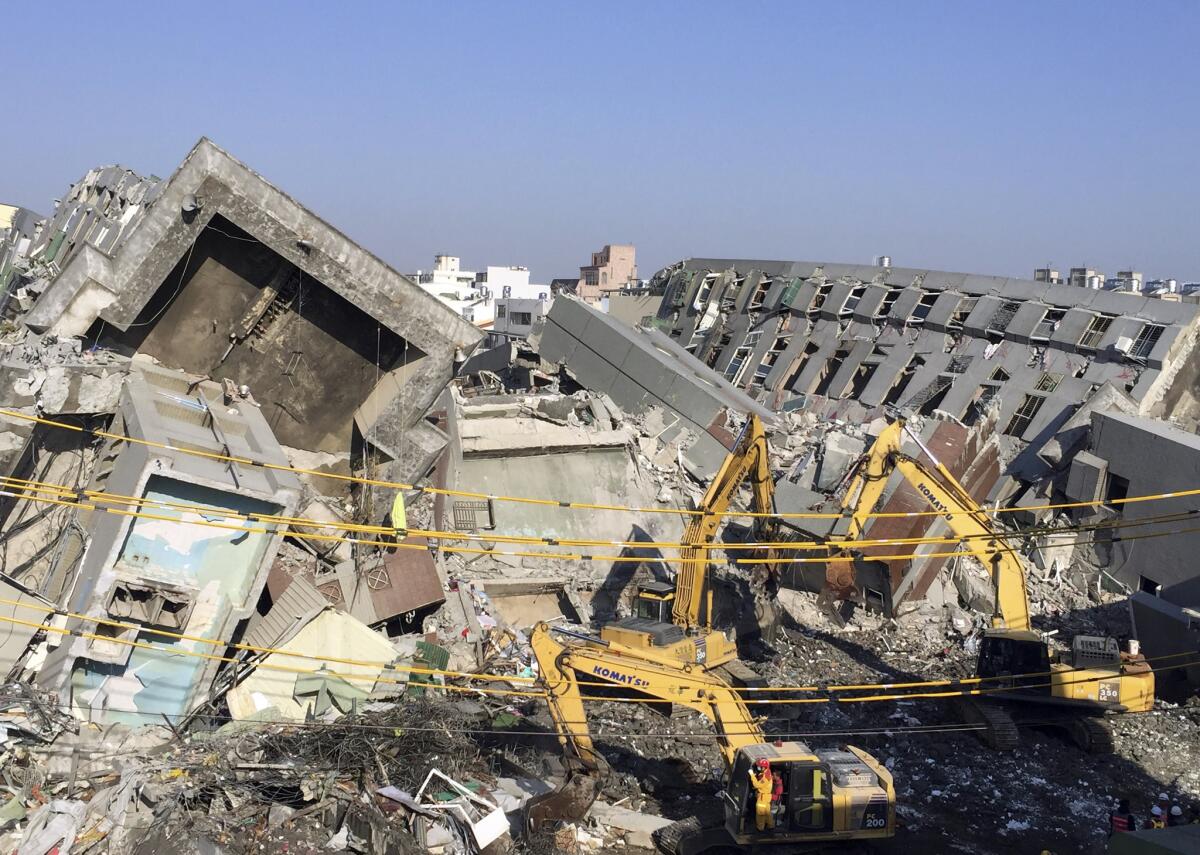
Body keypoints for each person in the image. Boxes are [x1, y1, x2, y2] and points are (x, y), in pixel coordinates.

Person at [749, 759, 774, 831]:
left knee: (760, 813)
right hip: (766, 797)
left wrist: (752, 776)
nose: (759, 767)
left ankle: (760, 828)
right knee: (767, 813)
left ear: (764, 767)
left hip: (763, 798)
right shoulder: (767, 772)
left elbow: (757, 785)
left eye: (760, 766)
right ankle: (770, 826)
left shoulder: (766, 777)